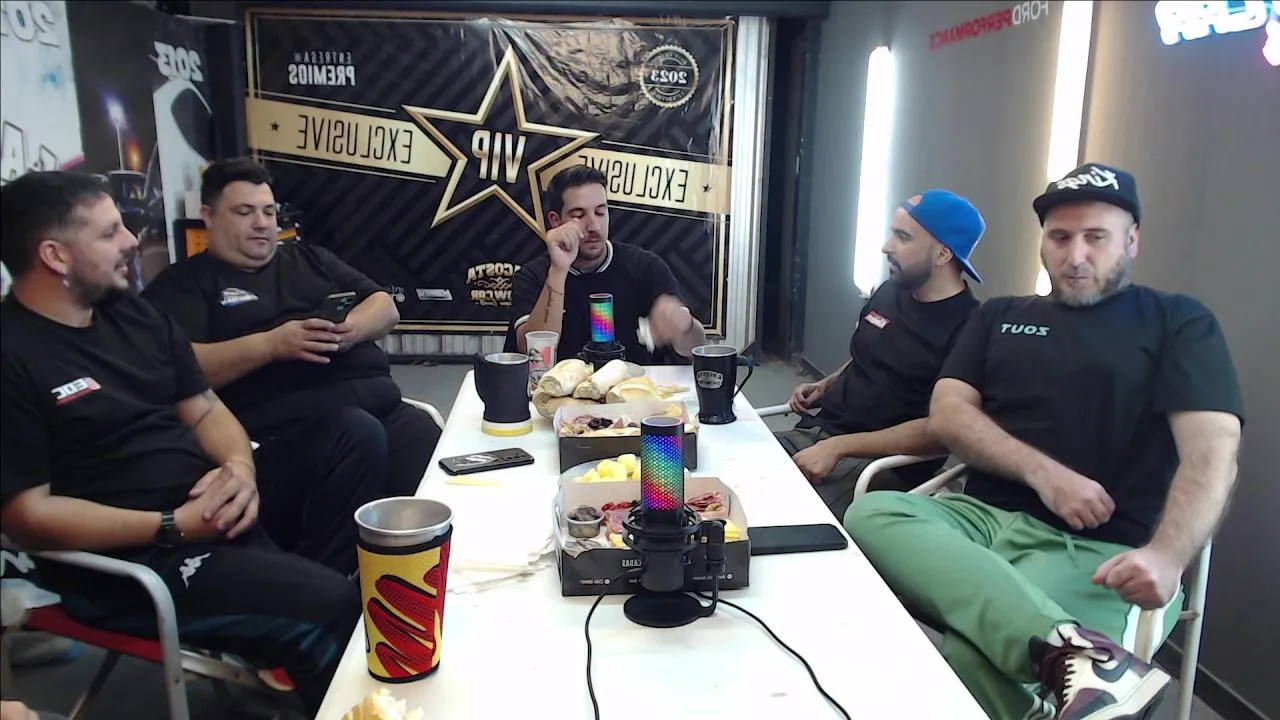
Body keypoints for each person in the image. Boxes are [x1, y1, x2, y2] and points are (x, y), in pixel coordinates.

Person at [846, 164, 1244, 720]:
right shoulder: (1000, 315)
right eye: (1060, 237)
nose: (1075, 255)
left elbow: (1213, 450)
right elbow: (949, 412)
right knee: (873, 513)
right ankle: (1071, 652)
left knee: (974, 655)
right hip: (978, 519)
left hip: (1099, 551)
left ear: (1131, 239)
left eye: (1096, 237)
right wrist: (1044, 473)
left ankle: (1057, 651)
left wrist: (1167, 556)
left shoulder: (1177, 323)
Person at [0, 171, 383, 715]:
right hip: (138, 558)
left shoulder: (130, 313)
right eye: (109, 232)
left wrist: (239, 470)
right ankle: (308, 616)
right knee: (340, 607)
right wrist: (172, 524)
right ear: (54, 256)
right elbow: (27, 517)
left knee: (351, 434)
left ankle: (287, 610)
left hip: (210, 509)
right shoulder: (13, 355)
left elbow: (204, 408)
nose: (130, 241)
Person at [141, 158, 439, 497]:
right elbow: (179, 370)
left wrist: (351, 329)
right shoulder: (185, 284)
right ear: (208, 216)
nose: (261, 223)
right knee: (357, 434)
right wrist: (271, 346)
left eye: (268, 212)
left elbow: (384, 306)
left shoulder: (311, 258)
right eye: (244, 212)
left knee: (426, 438)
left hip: (382, 408)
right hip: (288, 436)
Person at [775, 190, 984, 521]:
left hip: (878, 466)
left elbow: (942, 431)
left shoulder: (971, 329)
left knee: (767, 512)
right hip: (817, 433)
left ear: (943, 253)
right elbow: (869, 354)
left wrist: (839, 447)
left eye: (903, 237)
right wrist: (827, 384)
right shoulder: (890, 291)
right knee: (722, 471)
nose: (887, 246)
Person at [505, 165, 707, 365]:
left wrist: (685, 325)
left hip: (635, 385)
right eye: (578, 215)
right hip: (561, 386)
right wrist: (558, 270)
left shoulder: (646, 267)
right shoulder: (532, 276)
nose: (594, 226)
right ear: (555, 221)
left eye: (600, 212)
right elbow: (534, 353)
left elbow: (695, 348)